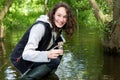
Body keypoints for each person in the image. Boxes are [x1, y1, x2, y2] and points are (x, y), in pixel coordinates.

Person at [10, 2, 76, 80]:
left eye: (65, 17)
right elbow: (26, 54)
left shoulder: (56, 28)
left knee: (57, 54)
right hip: (21, 60)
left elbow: (53, 42)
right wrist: (47, 54)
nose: (61, 20)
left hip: (35, 58)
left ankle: (47, 75)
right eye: (59, 15)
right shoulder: (40, 27)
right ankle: (27, 78)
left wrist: (58, 47)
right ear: (53, 14)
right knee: (54, 60)